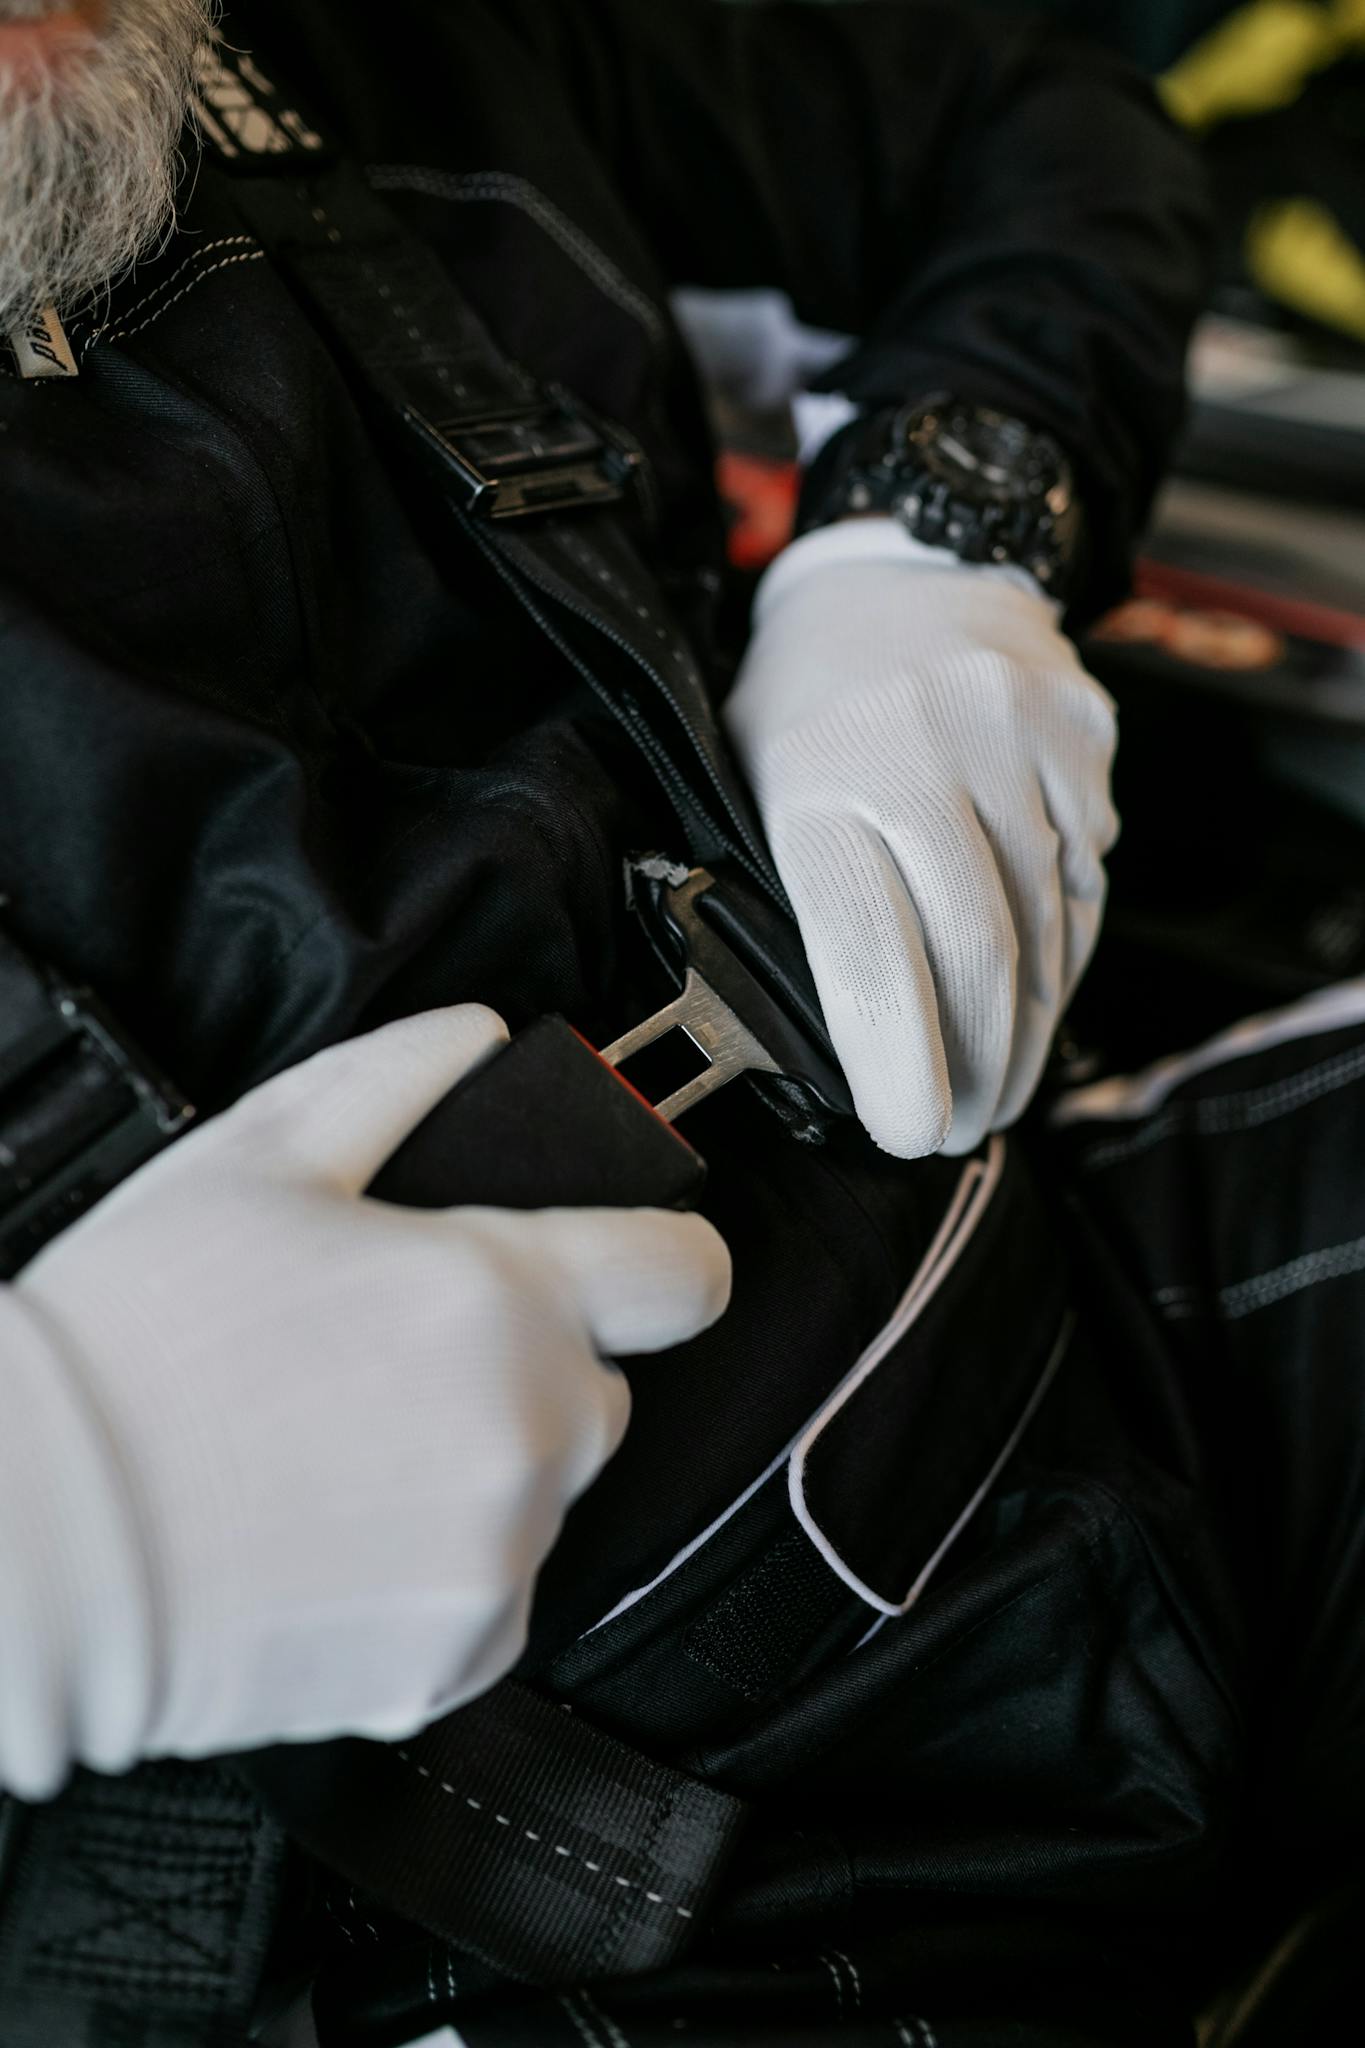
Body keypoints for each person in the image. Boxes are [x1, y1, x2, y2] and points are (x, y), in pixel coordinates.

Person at [4, 4, 1321, 2044]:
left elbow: (1034, 124)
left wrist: (940, 531)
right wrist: (53, 1550)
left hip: (1084, 1356)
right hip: (490, 1931)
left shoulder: (371, 50)